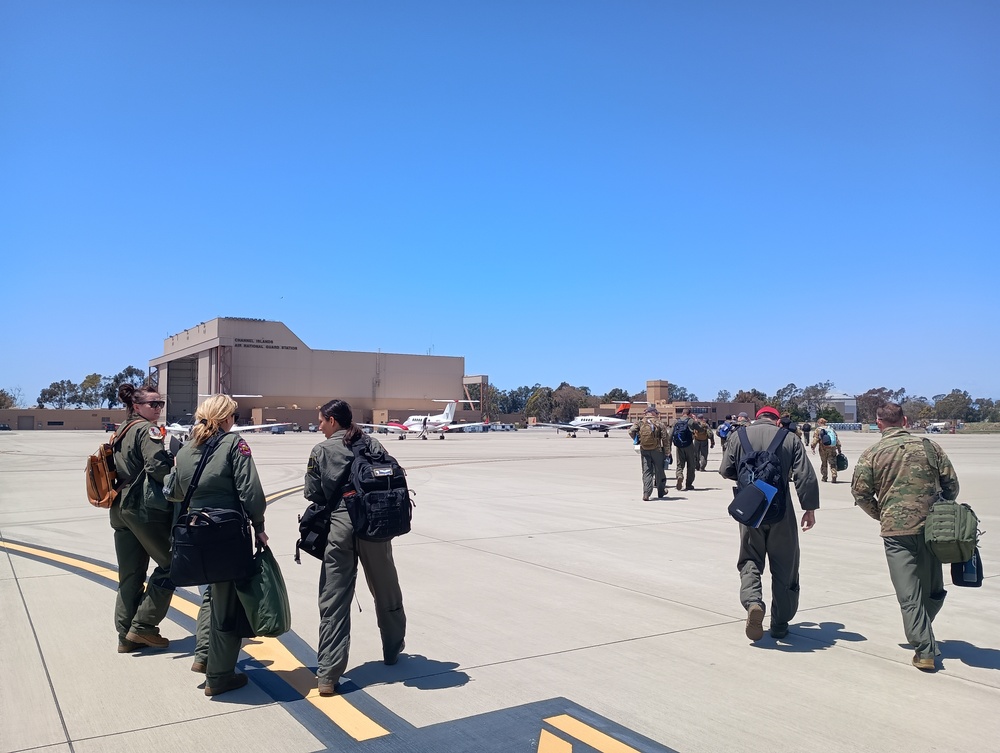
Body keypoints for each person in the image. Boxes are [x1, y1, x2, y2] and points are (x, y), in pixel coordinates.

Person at [306, 399, 406, 696]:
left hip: (340, 526)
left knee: (334, 598)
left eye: (322, 421)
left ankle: (328, 674)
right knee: (386, 588)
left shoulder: (321, 450)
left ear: (333, 421)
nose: (319, 426)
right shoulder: (372, 443)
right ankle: (392, 649)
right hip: (375, 526)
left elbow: (313, 492)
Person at [169, 394, 267, 696]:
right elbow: (250, 491)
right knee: (227, 604)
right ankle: (219, 676)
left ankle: (203, 657)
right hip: (225, 534)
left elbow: (173, 491)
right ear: (226, 418)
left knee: (212, 595)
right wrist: (259, 526)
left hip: (196, 532)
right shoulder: (233, 445)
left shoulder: (186, 449)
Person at [851, 402, 959, 671]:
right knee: (933, 589)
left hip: (896, 532)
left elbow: (861, 494)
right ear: (905, 420)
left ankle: (923, 647)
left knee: (909, 593)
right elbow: (952, 486)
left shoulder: (872, 453)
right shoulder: (929, 447)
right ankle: (923, 639)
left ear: (879, 423)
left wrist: (883, 514)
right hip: (931, 529)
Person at [719, 405, 820, 641]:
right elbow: (805, 476)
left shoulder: (738, 435)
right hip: (781, 510)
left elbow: (726, 470)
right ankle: (780, 623)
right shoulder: (790, 438)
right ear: (777, 421)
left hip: (751, 510)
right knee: (785, 565)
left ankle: (753, 601)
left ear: (756, 419)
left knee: (750, 558)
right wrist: (809, 509)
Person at [110, 383, 176, 653]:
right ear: (136, 406)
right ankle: (144, 627)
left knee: (130, 574)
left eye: (160, 404)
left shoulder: (121, 430)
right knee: (172, 566)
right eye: (153, 404)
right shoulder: (147, 430)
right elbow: (158, 468)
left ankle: (125, 636)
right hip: (142, 509)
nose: (158, 408)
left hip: (120, 509)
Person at [628, 405, 670, 501]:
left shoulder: (640, 422)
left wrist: (638, 440)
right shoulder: (659, 423)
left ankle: (646, 493)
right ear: (653, 412)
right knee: (659, 471)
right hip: (657, 450)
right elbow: (665, 438)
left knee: (646, 471)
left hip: (644, 449)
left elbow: (630, 431)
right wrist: (667, 452)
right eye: (656, 413)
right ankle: (661, 491)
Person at [672, 410, 699, 491]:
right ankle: (689, 484)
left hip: (679, 446)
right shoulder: (691, 421)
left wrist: (669, 448)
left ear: (682, 413)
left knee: (679, 464)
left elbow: (671, 434)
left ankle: (679, 475)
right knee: (691, 465)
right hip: (689, 445)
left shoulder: (676, 421)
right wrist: (695, 420)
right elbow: (700, 429)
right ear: (689, 414)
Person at [810, 417, 842, 482]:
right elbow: (836, 440)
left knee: (824, 463)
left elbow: (815, 439)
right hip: (832, 448)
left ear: (819, 423)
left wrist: (813, 447)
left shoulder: (818, 430)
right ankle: (834, 474)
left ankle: (824, 477)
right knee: (832, 463)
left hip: (823, 449)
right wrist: (839, 449)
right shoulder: (831, 429)